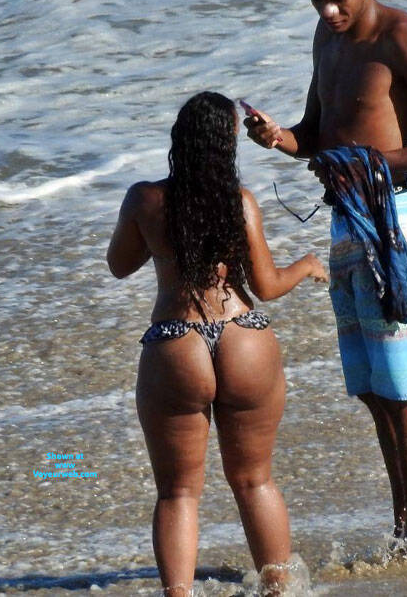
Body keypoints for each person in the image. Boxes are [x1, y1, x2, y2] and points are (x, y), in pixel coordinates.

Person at [244, 0, 407, 546]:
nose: (328, 11)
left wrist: (375, 163)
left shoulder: (404, 37)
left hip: (395, 220)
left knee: (405, 389)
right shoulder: (326, 39)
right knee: (373, 390)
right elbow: (315, 134)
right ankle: (405, 528)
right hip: (346, 221)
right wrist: (277, 138)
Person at [108, 91, 328, 596]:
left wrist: (162, 241)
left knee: (178, 492)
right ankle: (279, 589)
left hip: (177, 340)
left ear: (179, 140)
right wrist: (307, 265)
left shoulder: (144, 199)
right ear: (228, 144)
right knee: (255, 480)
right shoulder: (240, 201)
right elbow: (266, 285)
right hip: (242, 337)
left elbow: (119, 266)